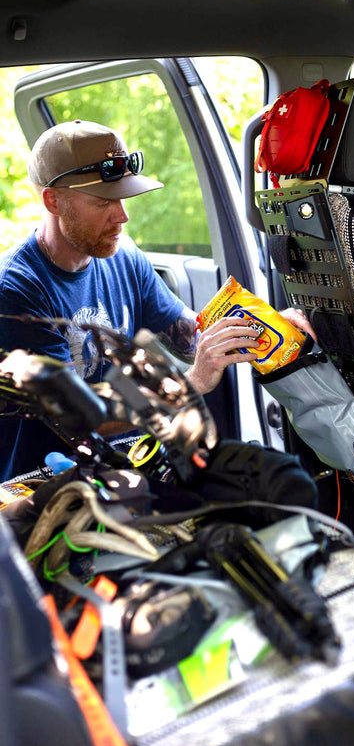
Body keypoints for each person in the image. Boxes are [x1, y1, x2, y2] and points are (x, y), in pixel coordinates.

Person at [0, 119, 313, 482]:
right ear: (53, 201)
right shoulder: (16, 291)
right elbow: (82, 420)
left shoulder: (123, 256)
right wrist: (192, 382)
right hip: (48, 486)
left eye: (123, 198)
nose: (123, 216)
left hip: (126, 464)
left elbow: (190, 336)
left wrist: (269, 326)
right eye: (104, 202)